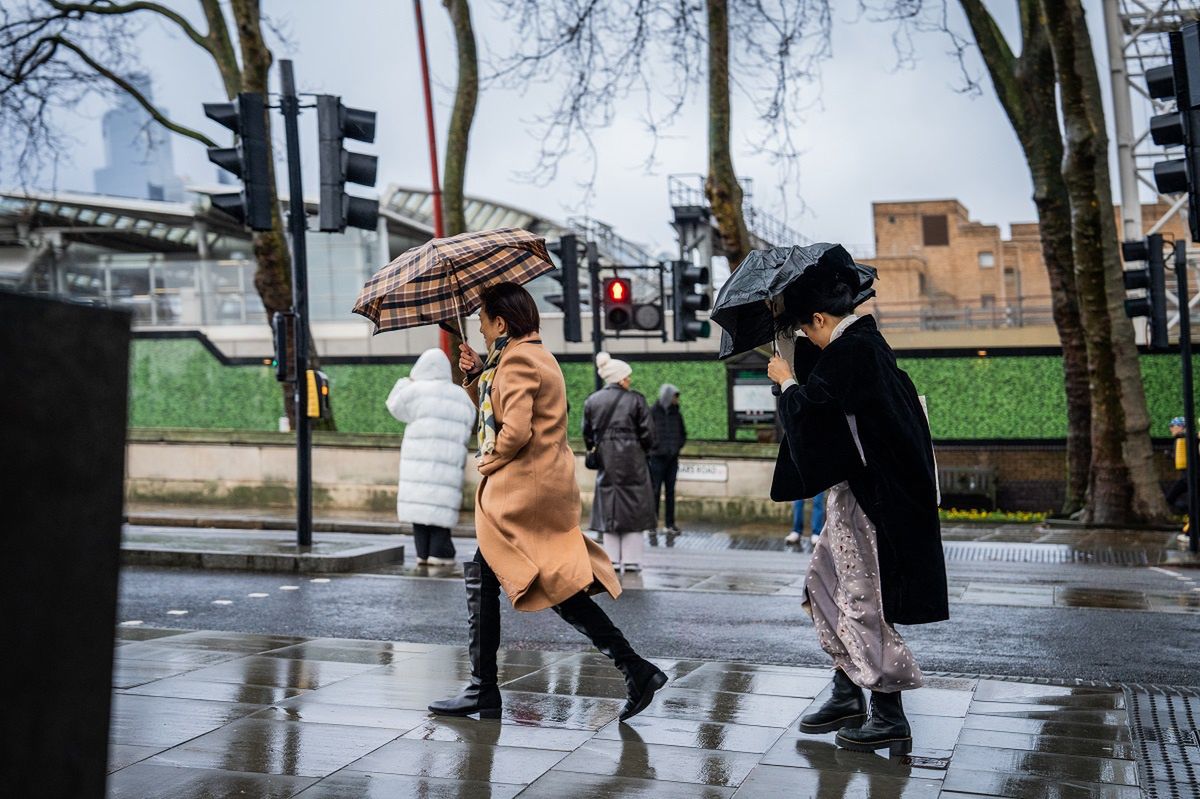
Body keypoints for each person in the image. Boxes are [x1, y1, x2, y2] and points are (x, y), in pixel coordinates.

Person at [429, 282, 667, 722]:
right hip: (542, 486)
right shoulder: (532, 356)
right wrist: (478, 374)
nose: (481, 331)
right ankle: (635, 669)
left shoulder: (517, 360)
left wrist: (488, 461)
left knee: (489, 575)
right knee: (550, 586)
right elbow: (498, 411)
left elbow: (513, 431)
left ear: (501, 323)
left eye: (483, 323)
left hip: (523, 490)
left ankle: (484, 689)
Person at [766, 261, 948, 757]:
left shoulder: (856, 352)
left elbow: (812, 411)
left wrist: (785, 382)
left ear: (821, 320)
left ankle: (887, 714)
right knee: (822, 583)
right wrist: (792, 366)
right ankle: (848, 690)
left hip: (873, 500)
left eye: (806, 326)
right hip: (864, 495)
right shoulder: (858, 348)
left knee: (862, 597)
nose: (805, 335)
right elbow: (826, 402)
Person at [385, 348, 476, 565]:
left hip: (417, 469)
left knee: (420, 515)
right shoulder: (461, 396)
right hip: (448, 467)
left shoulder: (416, 391)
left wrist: (407, 380)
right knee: (440, 515)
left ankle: (423, 554)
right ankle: (439, 554)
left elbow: (394, 405)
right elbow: (470, 422)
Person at [585, 353, 657, 572]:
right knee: (634, 505)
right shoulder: (636, 399)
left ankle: (612, 558)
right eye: (628, 376)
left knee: (609, 503)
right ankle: (633, 559)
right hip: (633, 458)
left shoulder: (593, 400)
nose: (630, 380)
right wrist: (642, 450)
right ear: (620, 378)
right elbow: (648, 434)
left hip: (606, 459)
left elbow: (587, 434)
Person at [649, 384, 686, 534]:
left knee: (670, 492)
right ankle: (652, 525)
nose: (677, 400)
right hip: (657, 459)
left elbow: (683, 433)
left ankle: (670, 524)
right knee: (655, 491)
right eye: (675, 396)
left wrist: (676, 447)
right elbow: (648, 433)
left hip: (672, 459)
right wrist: (655, 448)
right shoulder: (653, 412)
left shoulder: (676, 413)